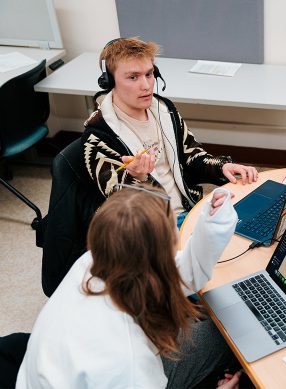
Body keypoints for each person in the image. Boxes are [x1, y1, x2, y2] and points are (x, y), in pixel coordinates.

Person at [17, 184, 242, 388]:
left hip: (64, 371)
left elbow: (176, 272)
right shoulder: (129, 365)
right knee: (229, 333)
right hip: (117, 374)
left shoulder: (94, 260)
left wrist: (212, 225)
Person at [82, 37, 258, 227]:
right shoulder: (97, 134)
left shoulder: (165, 110)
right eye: (133, 77)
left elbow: (191, 156)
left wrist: (221, 167)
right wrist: (140, 177)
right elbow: (118, 200)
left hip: (191, 210)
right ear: (109, 81)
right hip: (154, 229)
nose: (146, 85)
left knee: (252, 225)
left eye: (149, 74)